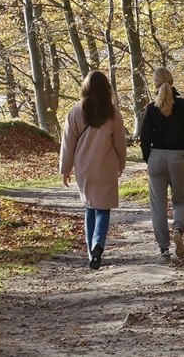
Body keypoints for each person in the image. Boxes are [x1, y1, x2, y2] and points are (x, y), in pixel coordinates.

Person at [140, 67, 184, 260]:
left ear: (155, 84)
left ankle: (164, 248)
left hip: (157, 157)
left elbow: (144, 138)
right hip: (179, 157)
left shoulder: (151, 108)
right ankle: (178, 229)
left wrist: (149, 159)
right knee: (179, 199)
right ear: (172, 81)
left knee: (158, 206)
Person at [60, 70, 127, 270]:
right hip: (106, 166)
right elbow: (120, 142)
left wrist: (65, 169)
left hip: (84, 168)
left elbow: (67, 144)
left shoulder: (75, 112)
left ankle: (91, 252)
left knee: (89, 207)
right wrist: (121, 163)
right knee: (103, 209)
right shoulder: (113, 113)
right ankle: (98, 243)